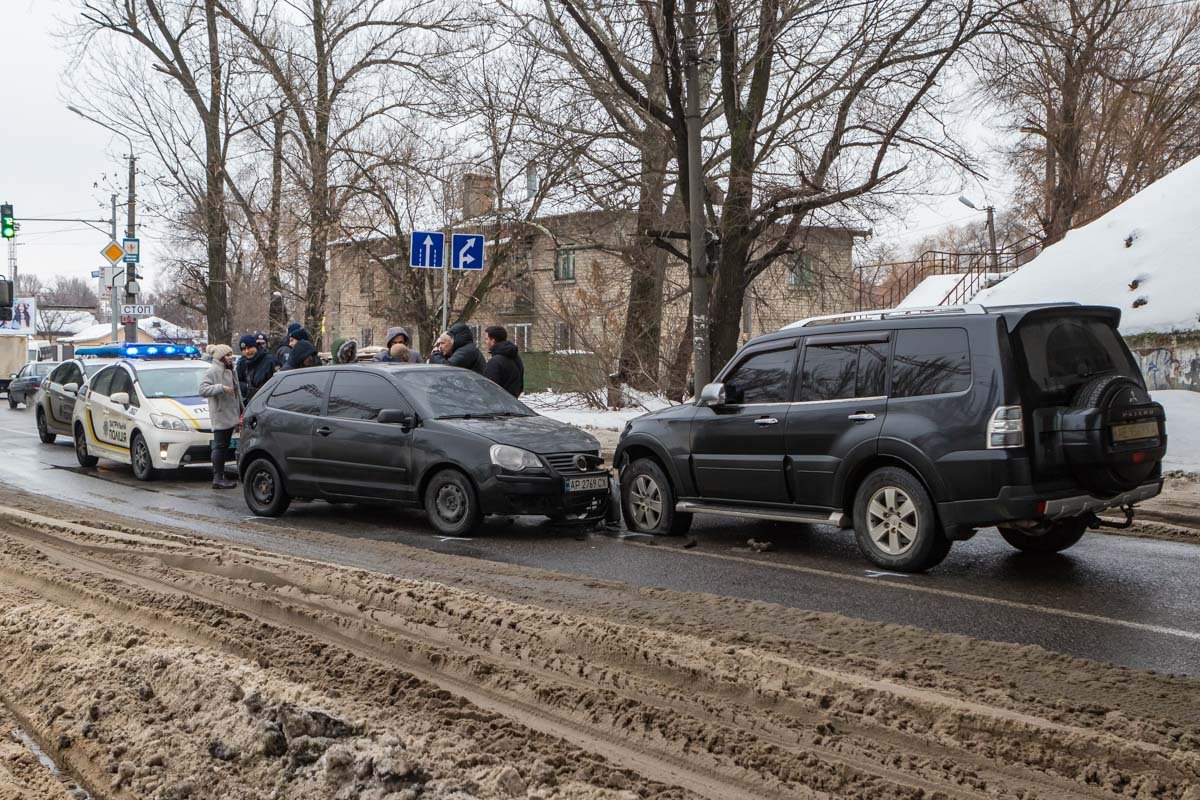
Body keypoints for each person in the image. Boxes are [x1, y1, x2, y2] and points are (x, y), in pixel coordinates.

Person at [199, 345, 240, 490]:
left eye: (231, 354)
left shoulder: (231, 370)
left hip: (232, 413)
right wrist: (221, 388)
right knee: (220, 446)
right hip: (221, 414)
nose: (230, 357)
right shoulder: (212, 371)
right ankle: (217, 477)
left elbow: (237, 393)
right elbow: (202, 390)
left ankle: (221, 476)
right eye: (227, 355)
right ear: (220, 357)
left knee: (224, 446)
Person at [483, 325, 524, 397]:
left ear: (493, 341)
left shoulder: (495, 362)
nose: (485, 342)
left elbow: (489, 389)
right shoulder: (516, 357)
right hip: (513, 402)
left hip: (498, 404)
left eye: (487, 339)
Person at [236, 333, 277, 401]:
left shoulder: (269, 361)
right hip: (249, 403)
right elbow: (237, 382)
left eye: (249, 348)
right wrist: (246, 387)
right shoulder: (242, 363)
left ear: (256, 347)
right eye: (243, 349)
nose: (247, 351)